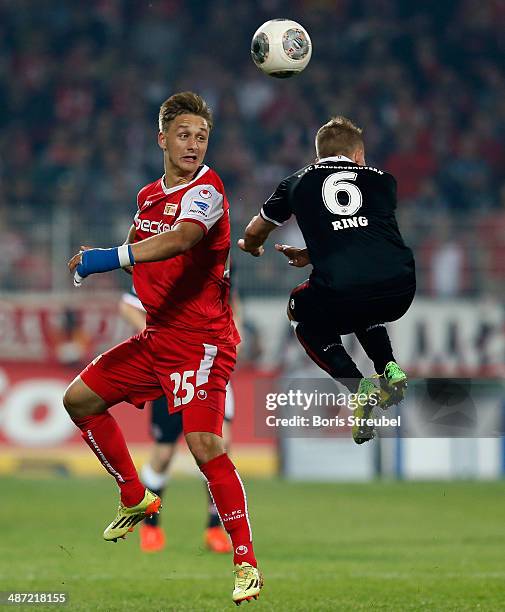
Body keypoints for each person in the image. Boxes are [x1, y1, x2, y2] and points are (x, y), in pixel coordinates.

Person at [63, 92, 263, 605]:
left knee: (203, 447)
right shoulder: (148, 195)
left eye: (202, 136)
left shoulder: (209, 189)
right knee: (78, 401)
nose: (194, 144)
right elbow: (144, 253)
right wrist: (106, 257)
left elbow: (182, 239)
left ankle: (246, 564)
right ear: (162, 139)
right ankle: (134, 496)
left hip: (202, 343)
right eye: (184, 135)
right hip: (157, 339)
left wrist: (108, 256)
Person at [238, 116, 416, 444]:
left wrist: (251, 246)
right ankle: (390, 369)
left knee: (299, 310)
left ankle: (356, 387)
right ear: (359, 155)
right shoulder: (384, 180)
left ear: (318, 157)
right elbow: (362, 233)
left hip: (346, 287)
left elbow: (254, 231)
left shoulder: (296, 182)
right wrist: (314, 252)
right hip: (401, 286)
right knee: (364, 301)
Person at [119, 287, 234, 554]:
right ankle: (151, 526)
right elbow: (127, 306)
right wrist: (161, 337)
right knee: (164, 452)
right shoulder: (162, 258)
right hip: (172, 370)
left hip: (210, 366)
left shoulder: (218, 262)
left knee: (220, 446)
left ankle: (215, 527)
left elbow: (232, 304)